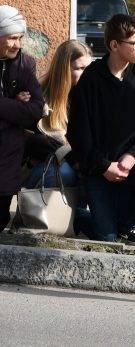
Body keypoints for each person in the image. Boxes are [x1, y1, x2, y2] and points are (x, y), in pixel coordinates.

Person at [67, 14, 135, 247]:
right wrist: (104, 166)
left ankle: (128, 224)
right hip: (97, 168)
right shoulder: (91, 79)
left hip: (130, 163)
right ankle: (78, 216)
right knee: (107, 240)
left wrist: (132, 156)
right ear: (114, 45)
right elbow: (77, 133)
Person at [22, 40, 92, 234]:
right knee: (67, 171)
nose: (87, 74)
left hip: (75, 165)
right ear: (64, 69)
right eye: (81, 68)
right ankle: (29, 215)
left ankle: (77, 216)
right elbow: (35, 142)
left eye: (89, 68)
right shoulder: (40, 97)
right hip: (40, 171)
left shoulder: (87, 95)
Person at [0, 5, 45, 231]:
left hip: (8, 156)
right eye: (12, 38)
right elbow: (23, 112)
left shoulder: (25, 64)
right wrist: (15, 105)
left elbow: (36, 110)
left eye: (20, 38)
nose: (18, 44)